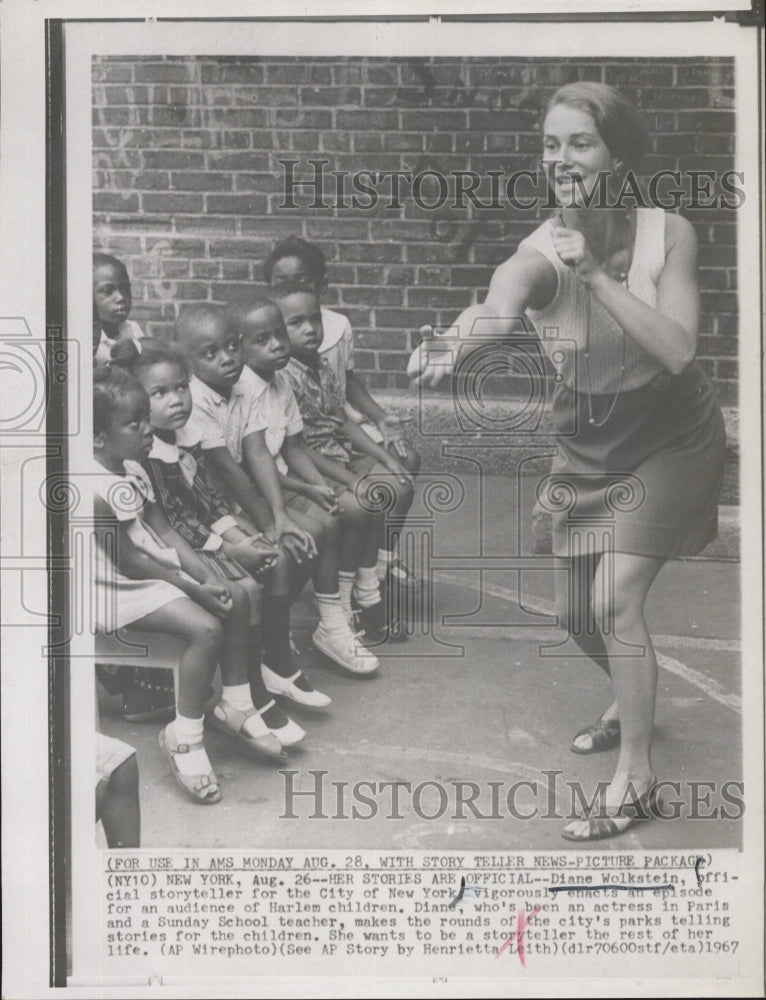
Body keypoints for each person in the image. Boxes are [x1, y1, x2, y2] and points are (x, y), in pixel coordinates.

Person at [407, 81, 726, 841]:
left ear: (617, 153)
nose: (562, 158)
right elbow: (499, 306)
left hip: (673, 433)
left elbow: (679, 350)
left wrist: (598, 277)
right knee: (573, 612)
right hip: (590, 439)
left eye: (579, 142)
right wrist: (458, 342)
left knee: (616, 602)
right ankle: (632, 693)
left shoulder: (668, 233)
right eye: (551, 144)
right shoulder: (539, 252)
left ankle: (637, 777)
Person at [92, 367, 291, 806]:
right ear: (97, 439)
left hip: (146, 571)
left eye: (146, 418)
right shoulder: (96, 488)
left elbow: (164, 531)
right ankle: (185, 737)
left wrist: (205, 575)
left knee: (235, 594)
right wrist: (193, 588)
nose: (147, 430)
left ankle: (235, 702)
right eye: (134, 423)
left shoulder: (131, 468)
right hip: (111, 586)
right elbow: (130, 561)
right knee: (206, 627)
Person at [110, 337, 326, 723]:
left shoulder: (183, 438)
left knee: (276, 558)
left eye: (180, 388)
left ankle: (272, 664)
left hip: (196, 538)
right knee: (242, 589)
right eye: (159, 393)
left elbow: (205, 502)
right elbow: (171, 524)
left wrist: (240, 534)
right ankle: (248, 690)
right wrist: (231, 548)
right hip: (171, 552)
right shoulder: (147, 456)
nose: (176, 399)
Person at [174, 303, 379, 676]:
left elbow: (257, 451)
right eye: (211, 354)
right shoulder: (197, 398)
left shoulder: (243, 388)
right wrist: (270, 523)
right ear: (190, 363)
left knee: (319, 528)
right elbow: (229, 470)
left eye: (232, 347)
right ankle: (269, 647)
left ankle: (325, 625)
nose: (227, 359)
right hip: (211, 507)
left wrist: (281, 515)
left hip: (240, 496)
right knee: (282, 552)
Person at [230, 296, 405, 645]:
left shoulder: (279, 383)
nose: (278, 345)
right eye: (262, 340)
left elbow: (294, 448)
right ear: (240, 348)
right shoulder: (243, 391)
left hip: (285, 479)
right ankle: (297, 621)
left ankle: (346, 607)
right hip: (256, 492)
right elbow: (252, 466)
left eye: (280, 334)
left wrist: (324, 486)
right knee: (329, 521)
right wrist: (314, 489)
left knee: (354, 503)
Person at [264, 236, 423, 593]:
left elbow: (345, 386)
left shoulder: (332, 328)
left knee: (403, 463)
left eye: (302, 280)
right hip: (308, 449)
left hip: (336, 431)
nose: (293, 287)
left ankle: (381, 562)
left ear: (321, 283)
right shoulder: (273, 349)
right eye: (282, 283)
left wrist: (380, 418)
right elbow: (295, 442)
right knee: (363, 498)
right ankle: (361, 581)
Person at [93, 252, 145, 367]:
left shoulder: (133, 330)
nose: (120, 297)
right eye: (108, 291)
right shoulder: (90, 341)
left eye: (125, 289)